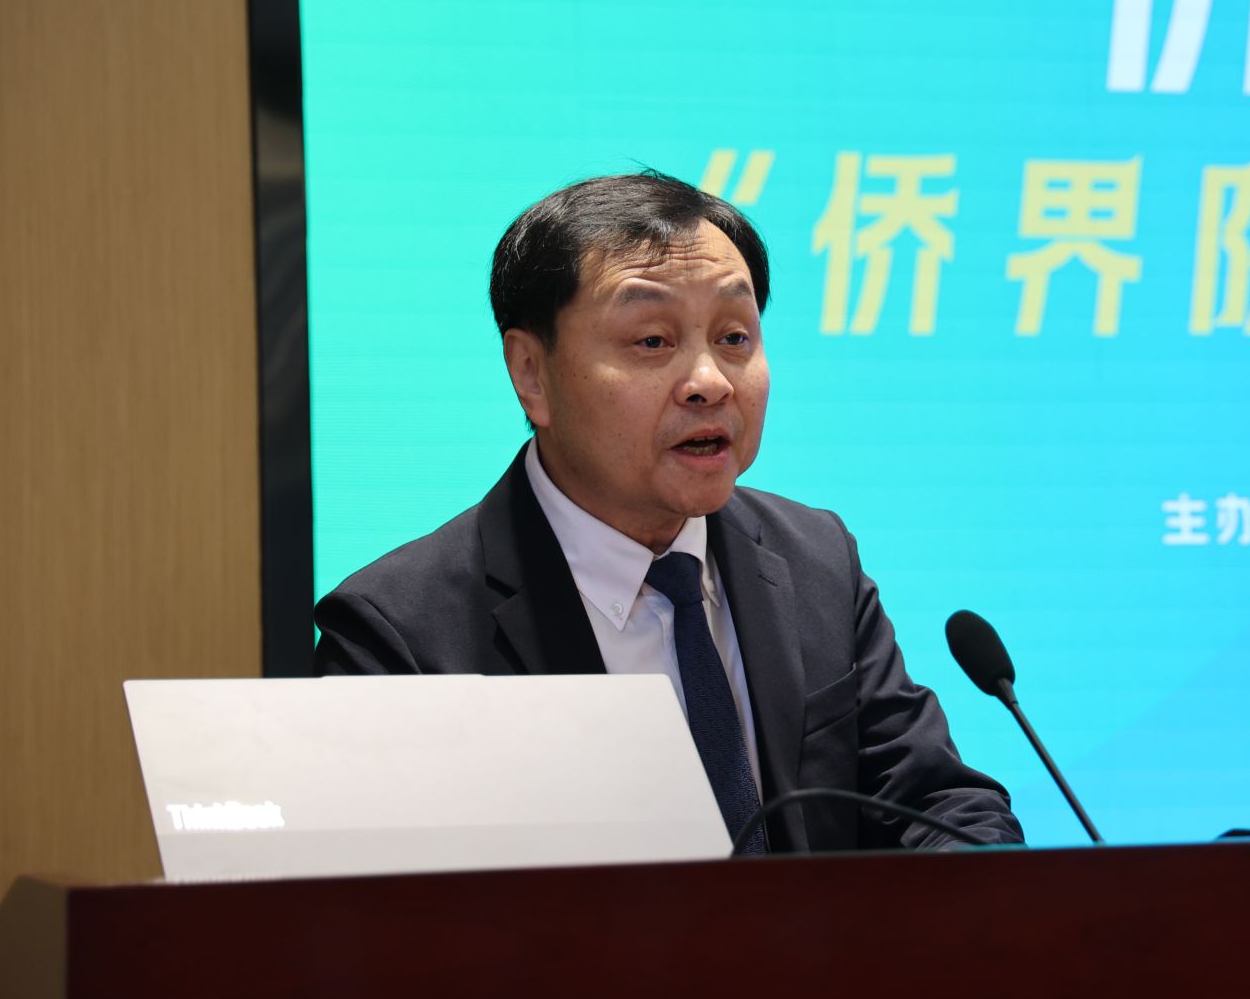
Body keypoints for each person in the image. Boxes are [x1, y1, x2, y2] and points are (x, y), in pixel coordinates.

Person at [314, 171, 1022, 854]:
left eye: (734, 337)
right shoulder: (399, 635)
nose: (709, 382)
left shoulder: (816, 558)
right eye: (652, 341)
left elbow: (934, 801)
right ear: (531, 373)